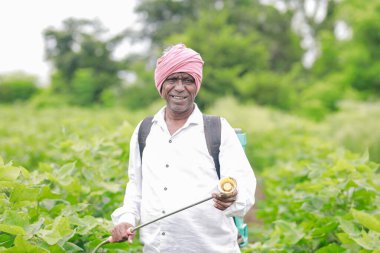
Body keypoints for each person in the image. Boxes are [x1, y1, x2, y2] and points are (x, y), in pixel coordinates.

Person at [110, 43, 256, 253]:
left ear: (196, 85)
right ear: (160, 84)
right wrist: (126, 219)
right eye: (172, 79)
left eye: (188, 80)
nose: (179, 87)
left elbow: (244, 187)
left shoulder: (217, 129)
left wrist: (231, 198)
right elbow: (136, 187)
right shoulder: (145, 130)